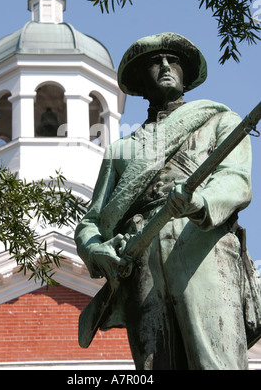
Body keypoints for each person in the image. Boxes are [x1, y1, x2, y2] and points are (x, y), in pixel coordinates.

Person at [75, 32, 256, 370]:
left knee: (216, 360)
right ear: (141, 80)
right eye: (154, 63)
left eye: (172, 60)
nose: (165, 66)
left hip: (201, 247)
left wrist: (200, 201)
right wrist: (95, 249)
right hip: (141, 263)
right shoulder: (120, 151)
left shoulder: (220, 122)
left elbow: (236, 181)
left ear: (186, 73)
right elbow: (91, 223)